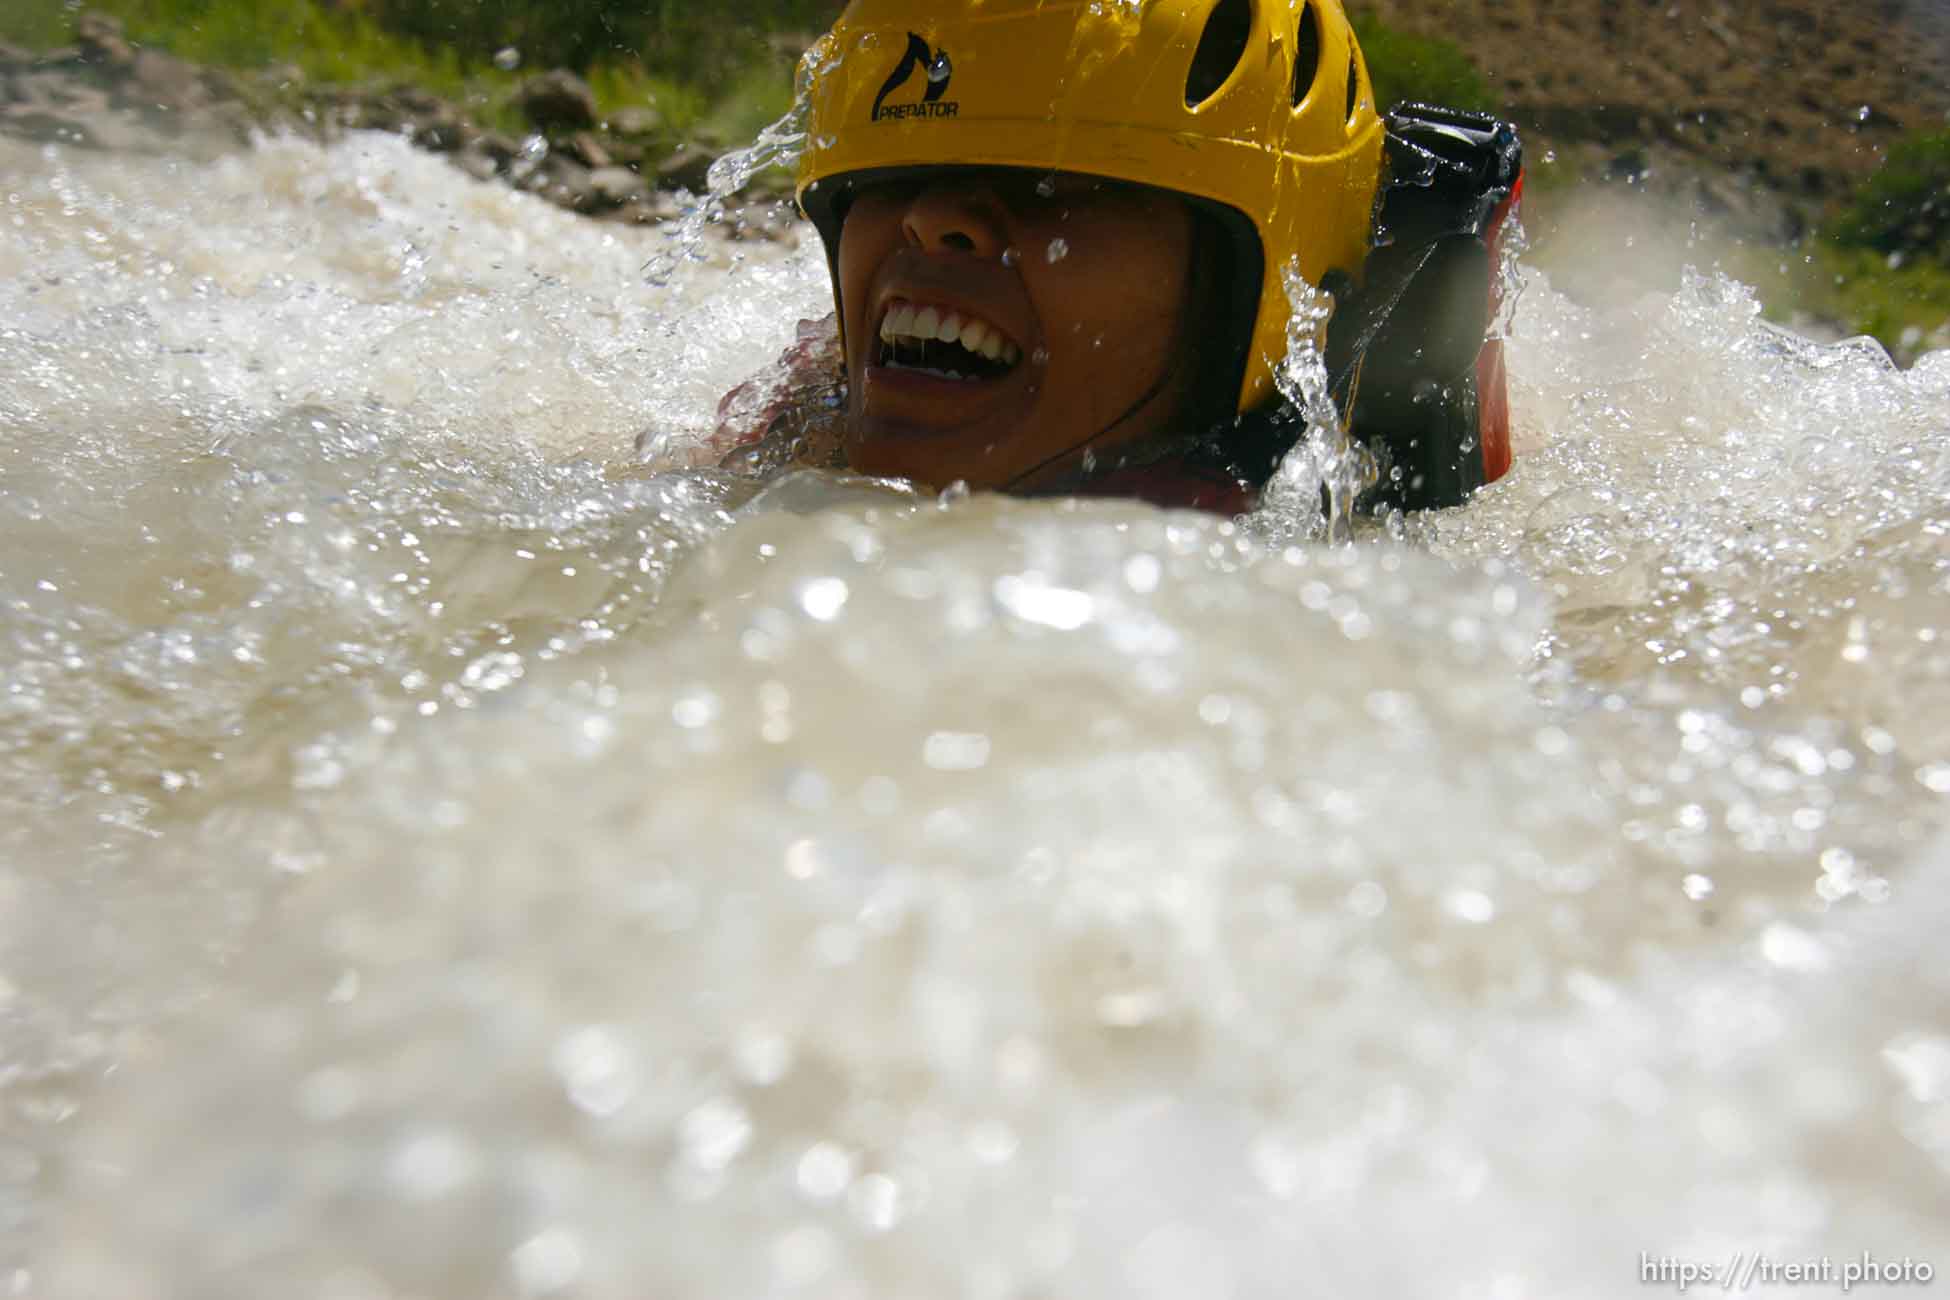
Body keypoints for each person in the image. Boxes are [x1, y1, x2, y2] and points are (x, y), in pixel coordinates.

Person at [714, 0, 1523, 515]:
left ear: (1265, 293)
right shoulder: (780, 442)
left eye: (1051, 184)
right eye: (900, 178)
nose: (930, 219)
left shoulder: (1288, 610)